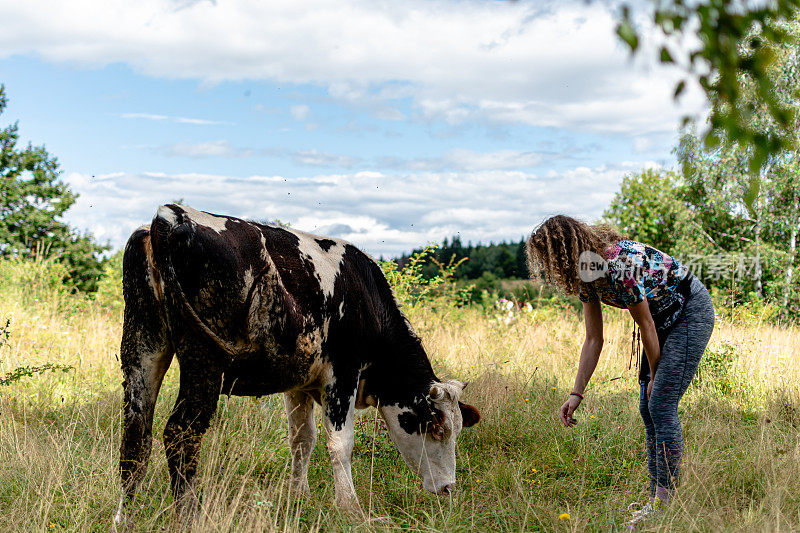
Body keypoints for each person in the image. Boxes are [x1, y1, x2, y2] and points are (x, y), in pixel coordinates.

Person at [526, 215, 714, 527]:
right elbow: (593, 338)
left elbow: (646, 325)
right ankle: (657, 497)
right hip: (660, 322)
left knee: (660, 403)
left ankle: (663, 505)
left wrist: (655, 376)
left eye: (548, 259)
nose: (547, 268)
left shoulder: (619, 266)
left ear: (563, 252)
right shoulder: (587, 272)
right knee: (646, 406)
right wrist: (576, 393)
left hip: (688, 312)